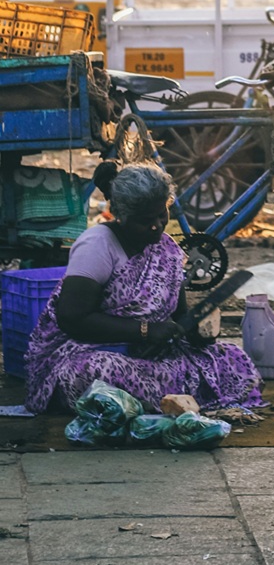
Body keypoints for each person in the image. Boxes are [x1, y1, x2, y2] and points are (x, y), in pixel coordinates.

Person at [25, 162, 261, 413]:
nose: (156, 226)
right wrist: (145, 331)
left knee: (232, 358)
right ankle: (158, 400)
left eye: (162, 215)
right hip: (90, 351)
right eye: (145, 220)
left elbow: (179, 313)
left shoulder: (167, 248)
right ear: (121, 215)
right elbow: (72, 318)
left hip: (152, 355)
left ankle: (158, 402)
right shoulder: (97, 245)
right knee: (97, 373)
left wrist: (196, 333)